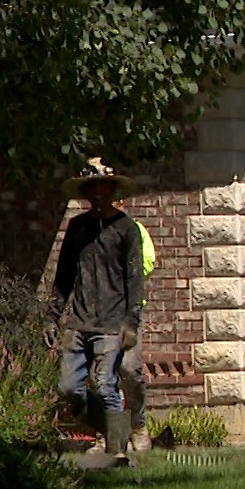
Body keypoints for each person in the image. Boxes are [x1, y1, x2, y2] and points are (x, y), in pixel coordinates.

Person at [50, 159, 146, 462]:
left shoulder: (126, 229)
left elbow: (135, 278)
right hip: (78, 322)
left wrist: (131, 323)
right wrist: (52, 316)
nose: (97, 192)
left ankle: (117, 455)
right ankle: (112, 429)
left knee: (106, 385)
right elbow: (63, 274)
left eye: (103, 185)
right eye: (91, 187)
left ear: (113, 188)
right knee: (68, 389)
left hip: (111, 322)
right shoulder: (77, 228)